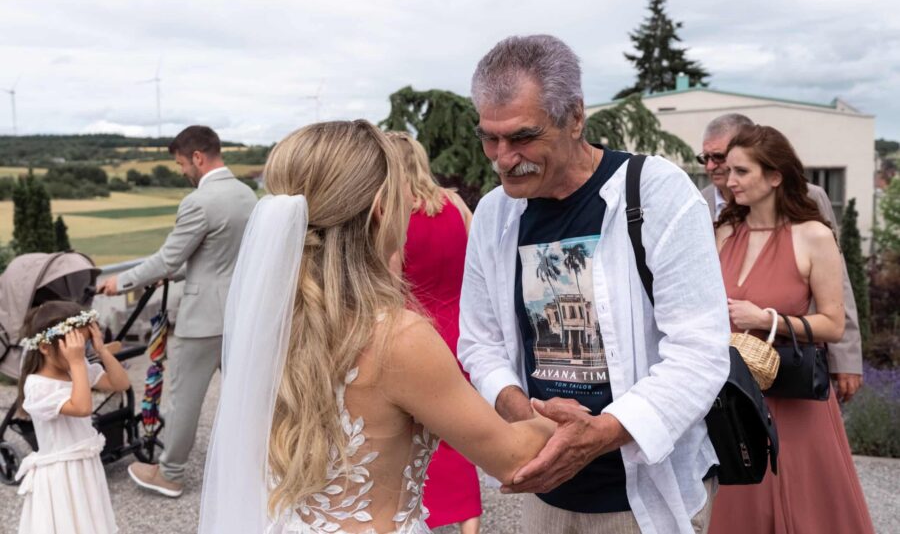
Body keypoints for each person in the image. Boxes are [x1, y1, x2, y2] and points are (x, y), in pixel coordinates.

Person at [198, 120, 555, 534]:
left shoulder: (269, 322)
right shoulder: (398, 339)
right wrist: (564, 418)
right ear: (382, 207)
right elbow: (511, 458)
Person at [457, 34, 730, 534]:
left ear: (576, 117)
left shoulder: (655, 192)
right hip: (547, 486)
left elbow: (699, 351)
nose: (501, 158)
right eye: (489, 138)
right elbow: (479, 340)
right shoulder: (495, 214)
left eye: (522, 137)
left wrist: (599, 434)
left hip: (644, 494)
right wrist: (526, 414)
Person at [708, 124, 874, 534]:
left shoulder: (814, 236)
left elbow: (833, 324)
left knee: (810, 511)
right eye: (727, 171)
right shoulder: (724, 232)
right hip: (737, 400)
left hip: (796, 399)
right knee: (739, 509)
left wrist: (767, 320)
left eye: (741, 172)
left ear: (775, 176)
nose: (729, 181)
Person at [97, 125, 257, 497]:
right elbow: (217, 258)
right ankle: (256, 466)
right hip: (239, 313)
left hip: (202, 320)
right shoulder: (247, 195)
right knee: (245, 394)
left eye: (182, 163)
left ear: (198, 158)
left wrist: (120, 282)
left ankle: (170, 474)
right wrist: (175, 272)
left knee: (184, 399)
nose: (183, 171)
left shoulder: (199, 202)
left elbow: (168, 257)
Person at [697, 113, 864, 402]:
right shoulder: (708, 212)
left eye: (721, 159)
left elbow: (838, 293)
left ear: (774, 176)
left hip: (790, 377)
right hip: (728, 383)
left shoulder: (811, 215)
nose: (716, 169)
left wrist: (844, 361)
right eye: (705, 158)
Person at [385, 131, 481, 534]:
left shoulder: (395, 214)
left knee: (417, 434)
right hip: (461, 327)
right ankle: (470, 526)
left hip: (417, 333)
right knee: (464, 431)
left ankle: (418, 517)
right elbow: (478, 267)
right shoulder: (456, 203)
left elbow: (389, 287)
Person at [15, 301, 131, 534]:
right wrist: (77, 362)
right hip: (61, 474)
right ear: (46, 348)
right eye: (73, 347)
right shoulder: (38, 385)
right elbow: (82, 407)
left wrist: (102, 351)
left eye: (83, 345)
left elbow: (121, 383)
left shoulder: (75, 368)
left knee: (89, 522)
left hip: (85, 466)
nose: (80, 352)